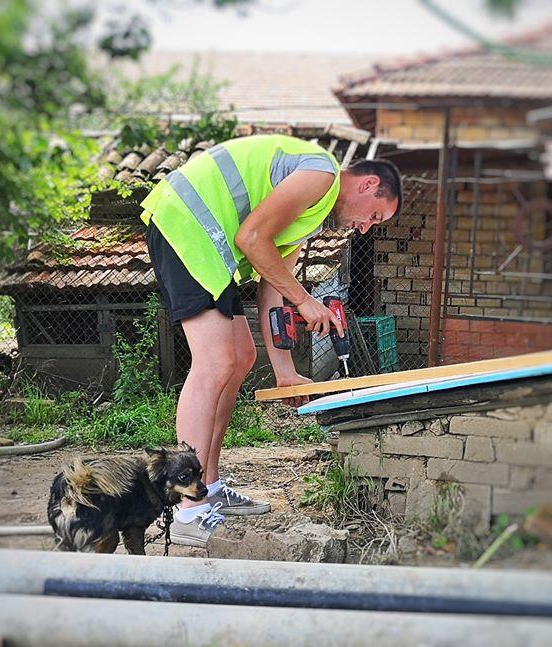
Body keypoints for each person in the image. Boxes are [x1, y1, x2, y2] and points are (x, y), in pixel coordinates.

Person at [140, 134, 402, 547]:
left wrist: (285, 373)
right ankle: (188, 508)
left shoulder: (308, 217)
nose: (366, 227)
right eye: (374, 215)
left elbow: (272, 290)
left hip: (210, 242)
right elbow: (251, 239)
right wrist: (307, 300)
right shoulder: (321, 174)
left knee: (242, 356)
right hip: (186, 221)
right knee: (215, 362)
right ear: (368, 184)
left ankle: (208, 487)